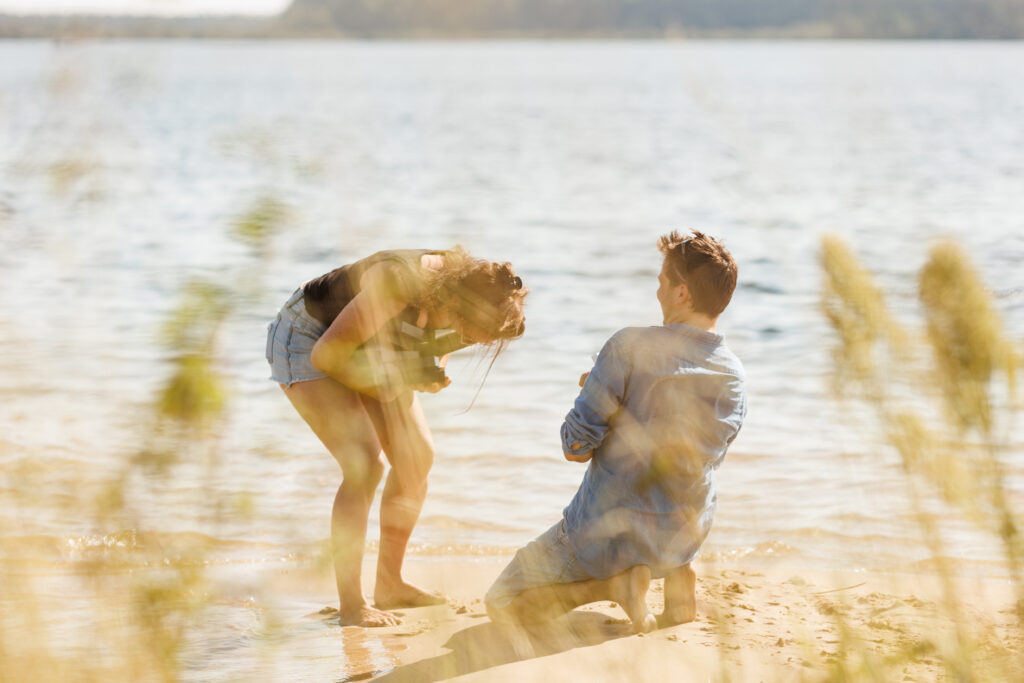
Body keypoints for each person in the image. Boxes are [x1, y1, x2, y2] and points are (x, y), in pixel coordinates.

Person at [485, 231, 745, 633]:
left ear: (681, 294)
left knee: (500, 603)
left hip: (607, 536)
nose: (656, 290)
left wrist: (597, 389)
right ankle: (679, 575)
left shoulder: (629, 346)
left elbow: (575, 447)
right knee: (685, 477)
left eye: (661, 282)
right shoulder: (734, 374)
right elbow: (698, 454)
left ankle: (613, 585)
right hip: (683, 533)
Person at [266, 248, 527, 627]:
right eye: (470, 332)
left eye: (477, 339)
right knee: (365, 467)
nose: (470, 340)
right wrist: (386, 388)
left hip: (373, 344)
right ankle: (352, 606)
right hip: (311, 338)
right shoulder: (398, 283)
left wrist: (429, 370)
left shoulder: (482, 301)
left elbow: (440, 342)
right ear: (455, 301)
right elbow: (328, 356)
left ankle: (390, 584)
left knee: (416, 457)